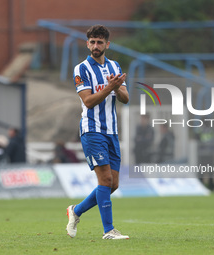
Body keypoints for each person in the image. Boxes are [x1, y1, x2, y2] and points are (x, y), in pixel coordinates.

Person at [66, 25, 129, 240]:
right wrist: (110, 88)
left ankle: (76, 211)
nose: (95, 46)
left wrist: (118, 87)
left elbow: (126, 98)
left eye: (99, 42)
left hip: (111, 131)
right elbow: (88, 101)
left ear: (107, 44)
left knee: (114, 184)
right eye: (92, 42)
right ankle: (108, 230)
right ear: (87, 43)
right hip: (92, 129)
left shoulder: (115, 65)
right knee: (104, 179)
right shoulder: (81, 69)